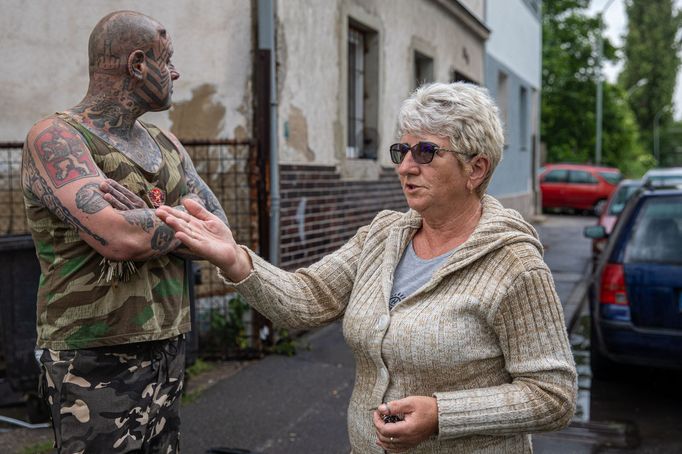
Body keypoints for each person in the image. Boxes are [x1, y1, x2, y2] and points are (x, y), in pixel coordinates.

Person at [157, 82, 577, 453]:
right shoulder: (383, 236)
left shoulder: (515, 264)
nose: (405, 166)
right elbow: (306, 300)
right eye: (402, 150)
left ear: (476, 168)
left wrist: (441, 414)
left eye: (426, 152)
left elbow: (553, 396)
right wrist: (235, 258)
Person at [21, 11, 227, 453]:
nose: (175, 72)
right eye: (166, 60)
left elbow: (220, 233)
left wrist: (152, 216)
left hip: (168, 348)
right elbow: (118, 237)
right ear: (137, 64)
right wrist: (173, 221)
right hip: (92, 359)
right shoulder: (56, 138)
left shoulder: (167, 143)